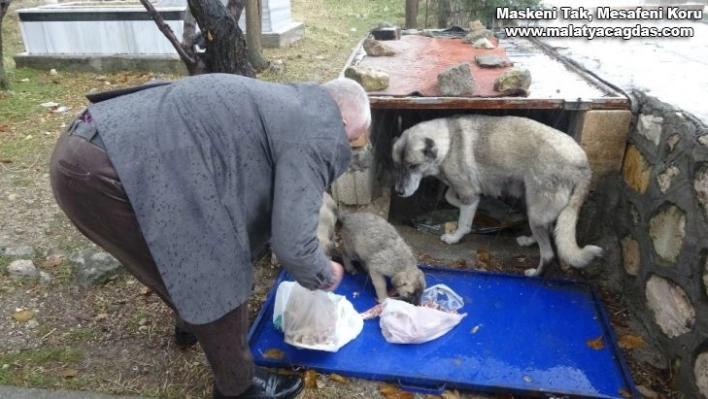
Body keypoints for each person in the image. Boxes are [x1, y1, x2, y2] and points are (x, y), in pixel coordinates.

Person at [49, 73, 371, 399]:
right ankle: (239, 387)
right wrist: (322, 271)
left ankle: (191, 325)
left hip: (87, 145)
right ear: (342, 120)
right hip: (107, 171)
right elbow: (293, 246)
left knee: (185, 249)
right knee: (217, 269)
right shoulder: (320, 131)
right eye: (355, 139)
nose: (353, 147)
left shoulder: (286, 101)